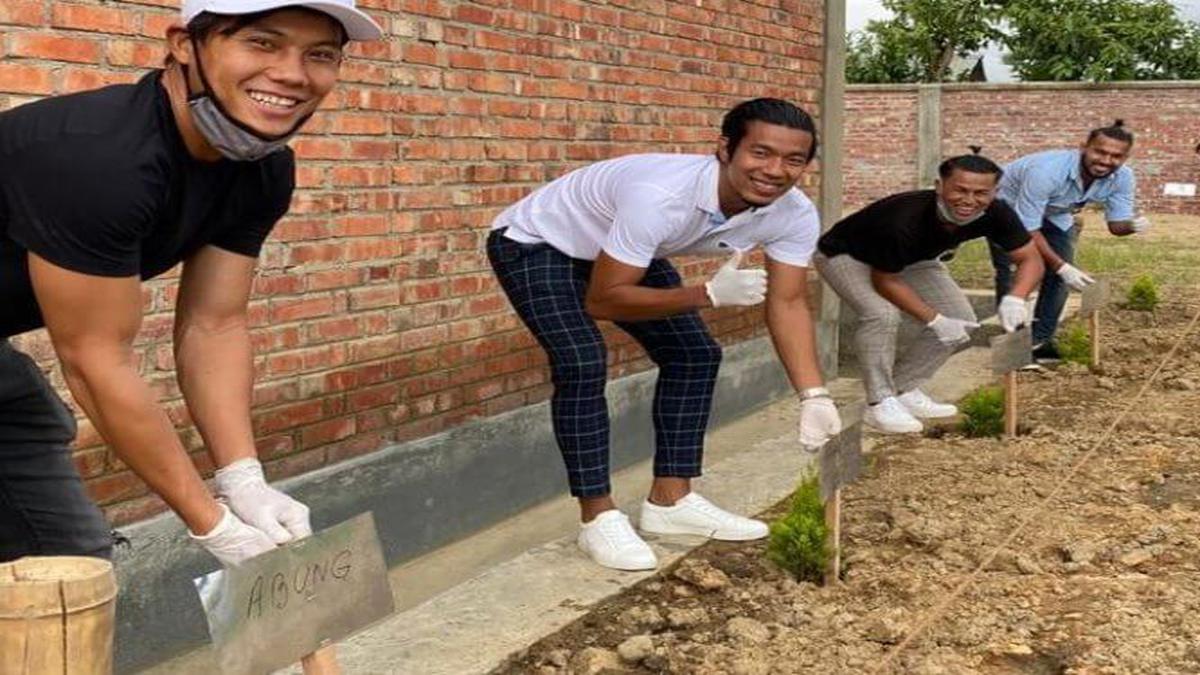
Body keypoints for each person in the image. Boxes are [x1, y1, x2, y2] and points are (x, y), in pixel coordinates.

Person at [0, 0, 381, 566]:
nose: (293, 73)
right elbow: (94, 358)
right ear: (184, 45)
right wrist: (213, 525)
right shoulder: (99, 159)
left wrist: (242, 478)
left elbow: (215, 323)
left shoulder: (262, 170)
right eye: (262, 43)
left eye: (319, 55)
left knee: (67, 563)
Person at [486, 98, 841, 571]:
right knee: (582, 361)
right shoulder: (661, 195)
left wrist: (812, 393)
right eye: (760, 153)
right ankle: (598, 518)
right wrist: (708, 295)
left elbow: (790, 300)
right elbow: (605, 300)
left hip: (618, 250)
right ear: (725, 150)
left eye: (793, 159)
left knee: (695, 355)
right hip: (538, 243)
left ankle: (671, 503)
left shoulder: (793, 214)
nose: (775, 170)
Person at [815, 151, 1044, 434]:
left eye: (980, 193)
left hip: (915, 258)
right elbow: (885, 281)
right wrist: (934, 320)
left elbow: (1030, 258)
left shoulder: (997, 212)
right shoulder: (902, 220)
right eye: (960, 190)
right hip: (845, 255)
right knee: (881, 315)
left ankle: (903, 389)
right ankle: (878, 402)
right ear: (939, 186)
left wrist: (1016, 297)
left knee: (961, 319)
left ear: (994, 192)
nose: (969, 200)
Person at [990, 120, 1148, 362]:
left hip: (1056, 213)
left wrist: (1131, 226)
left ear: (1125, 158)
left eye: (1116, 156)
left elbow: (1116, 226)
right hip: (1006, 209)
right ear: (1084, 147)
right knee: (1015, 271)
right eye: (1100, 152)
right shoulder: (1047, 171)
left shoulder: (1122, 177)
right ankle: (1014, 348)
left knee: (1062, 274)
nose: (1106, 161)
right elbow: (1027, 227)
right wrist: (1061, 266)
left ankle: (1040, 341)